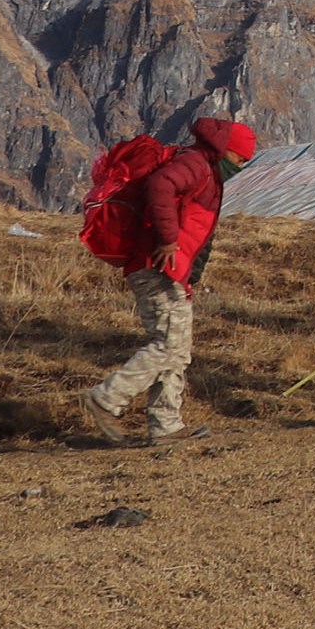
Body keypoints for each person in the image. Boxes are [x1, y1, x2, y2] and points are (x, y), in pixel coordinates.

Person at [80, 118, 255, 445]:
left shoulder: (206, 169)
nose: (242, 166)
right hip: (158, 265)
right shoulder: (196, 164)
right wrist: (168, 240)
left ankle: (166, 425)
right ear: (227, 151)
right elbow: (161, 185)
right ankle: (107, 398)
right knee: (166, 344)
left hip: (173, 270)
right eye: (241, 159)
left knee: (178, 349)